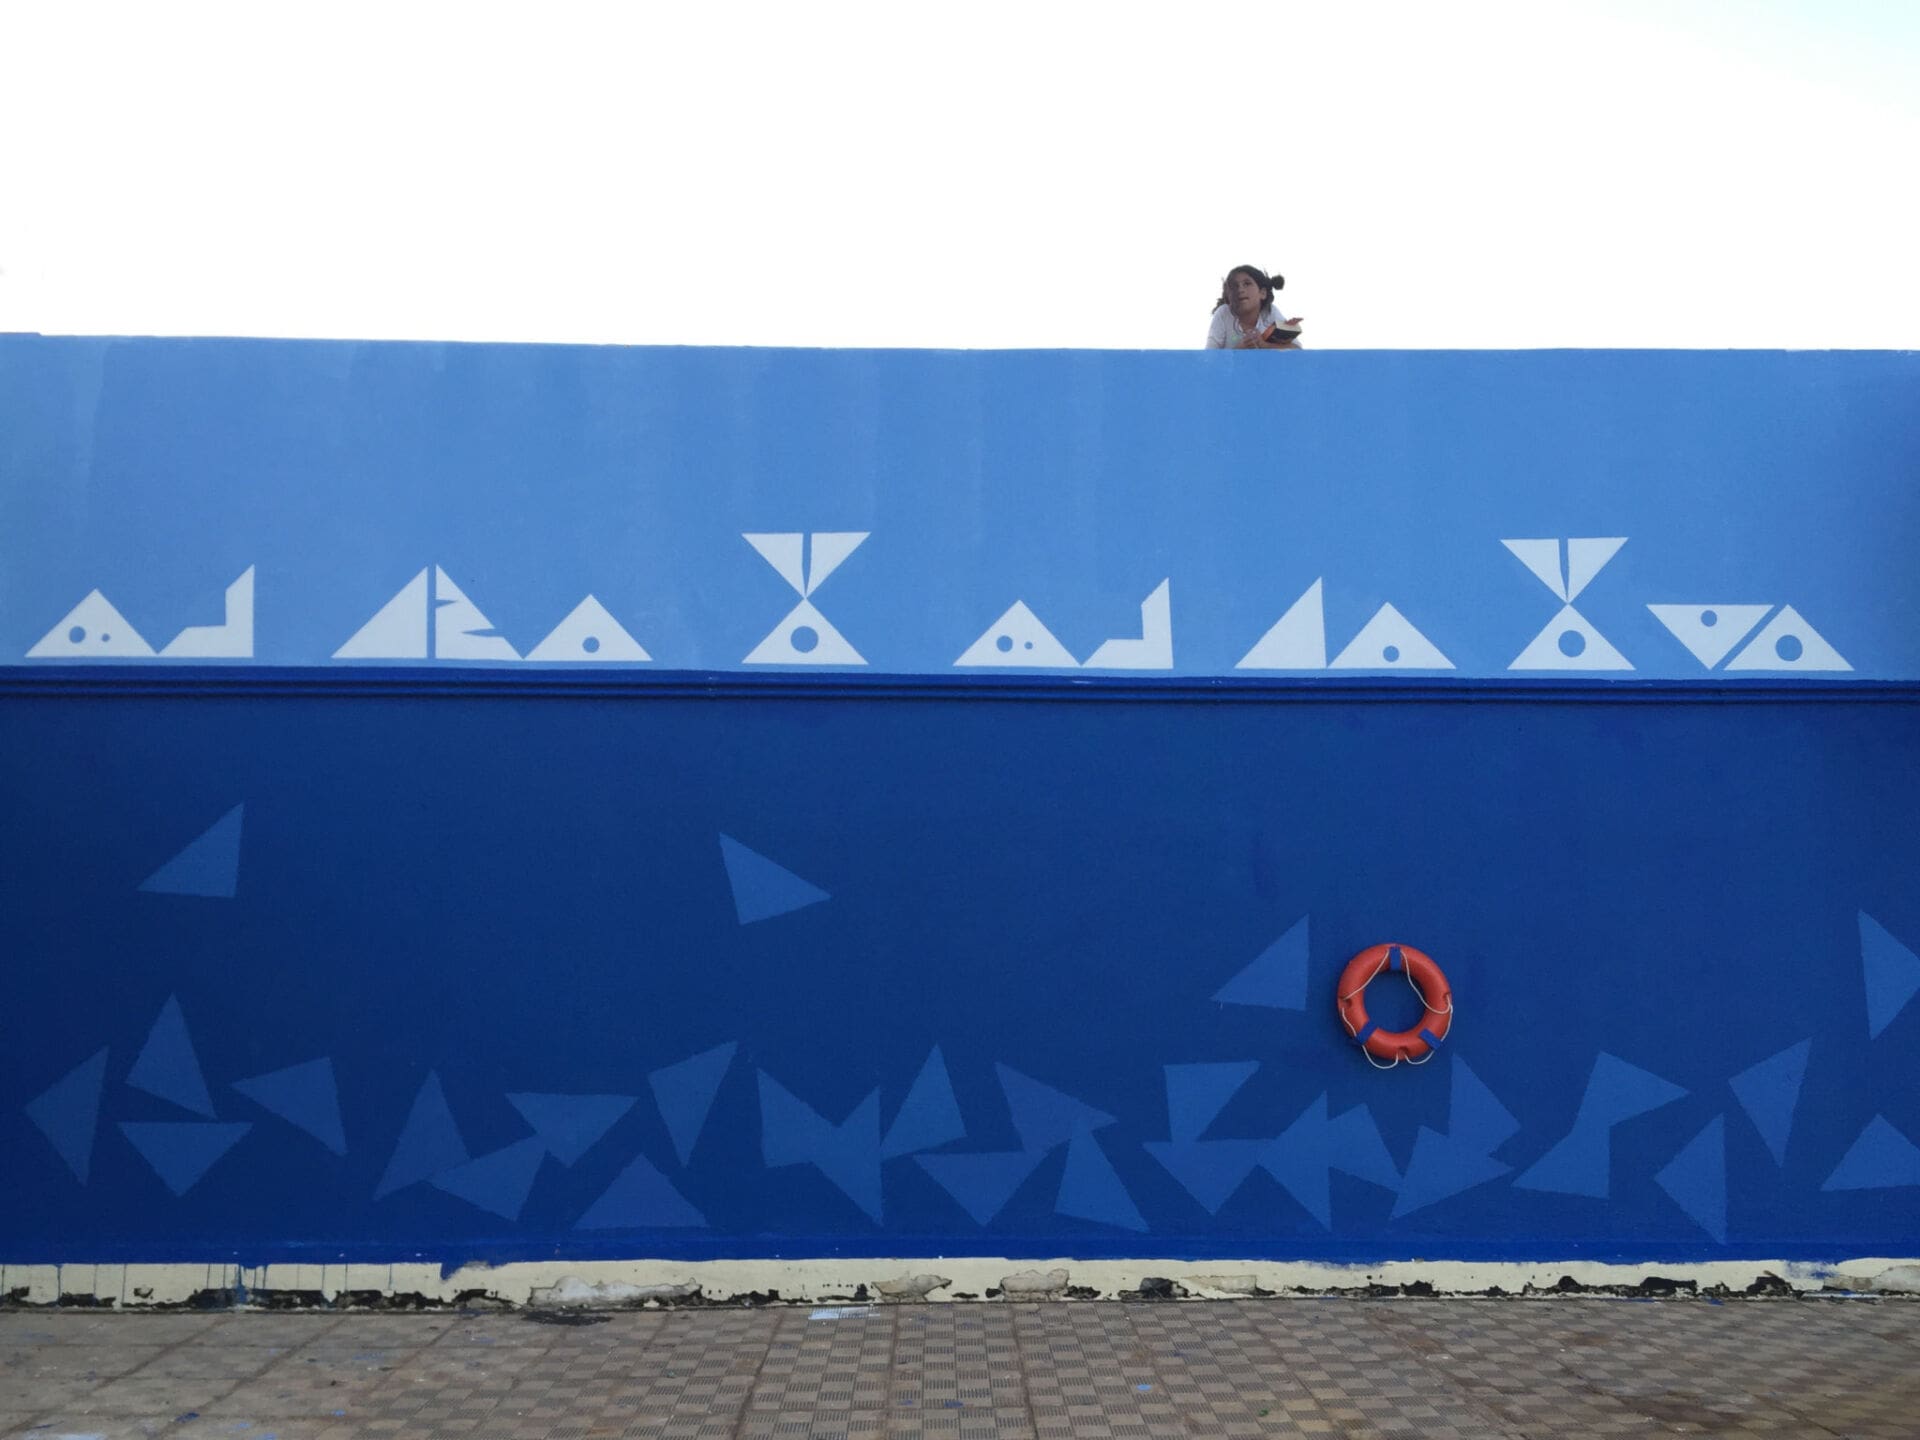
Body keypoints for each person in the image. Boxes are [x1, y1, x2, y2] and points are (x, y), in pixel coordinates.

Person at [1205, 265, 1303, 349]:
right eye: (1234, 286)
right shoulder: (1223, 314)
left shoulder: (1269, 312)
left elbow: (1297, 350)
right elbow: (1209, 357)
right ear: (1228, 296)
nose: (1240, 290)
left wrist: (1264, 345)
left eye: (1247, 284)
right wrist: (1239, 349)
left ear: (1262, 293)